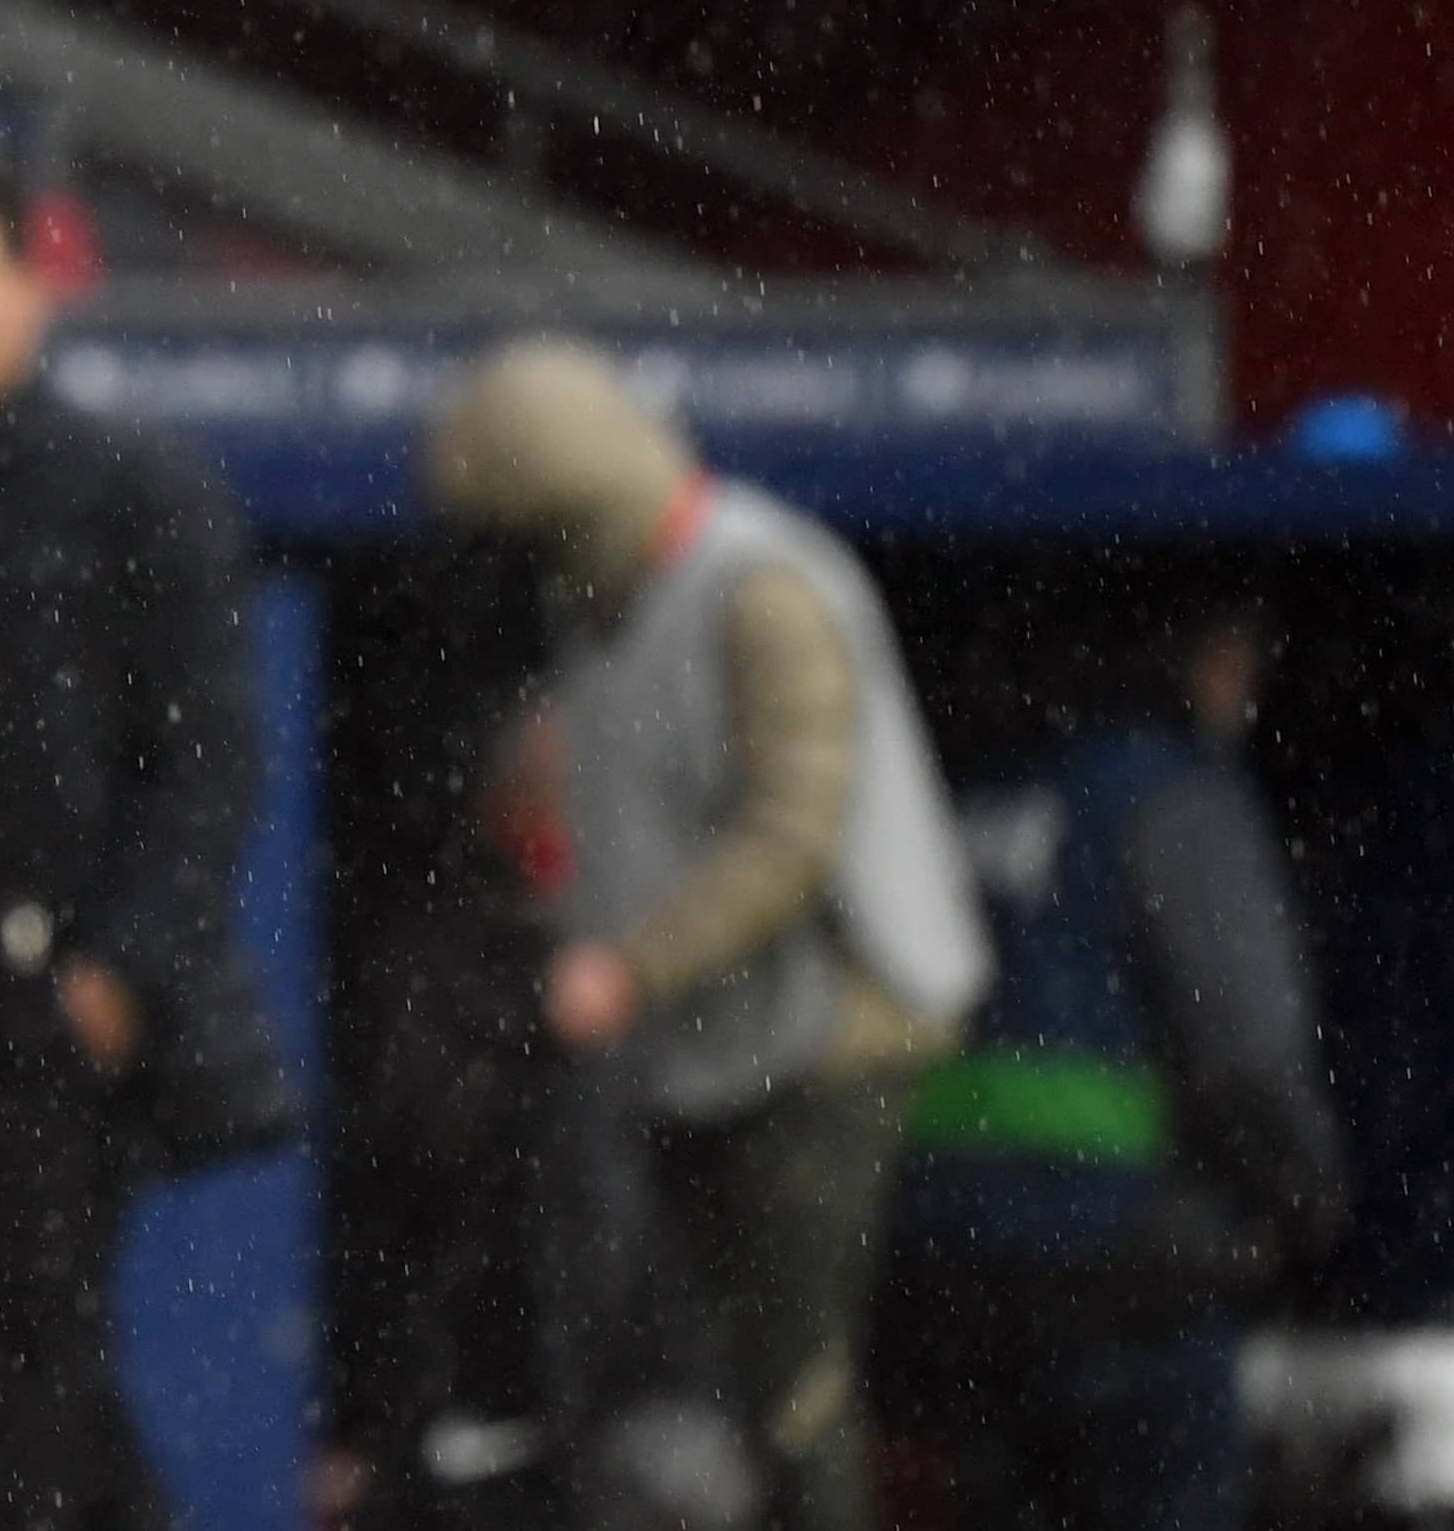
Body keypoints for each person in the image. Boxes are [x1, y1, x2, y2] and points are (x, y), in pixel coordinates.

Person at [426, 343, 990, 1531]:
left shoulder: (763, 586)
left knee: (793, 1387)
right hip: (700, 1046)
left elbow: (791, 832)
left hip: (830, 1039)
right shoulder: (602, 606)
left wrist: (627, 967)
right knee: (707, 1391)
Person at [0, 161, 295, 1531]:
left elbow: (208, 767)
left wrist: (116, 975)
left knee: (27, 1350)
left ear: (30, 288)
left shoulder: (135, 491)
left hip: (59, 1018)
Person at [878, 593, 1347, 1531]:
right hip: (1128, 1274)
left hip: (942, 1269)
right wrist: (1310, 1207)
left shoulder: (969, 784)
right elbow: (1247, 1052)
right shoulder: (1166, 797)